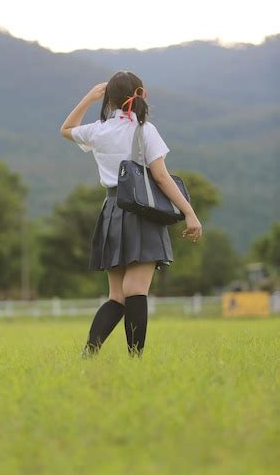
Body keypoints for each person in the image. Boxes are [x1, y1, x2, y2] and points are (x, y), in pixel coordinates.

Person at [60, 70, 203, 359]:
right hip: (142, 212)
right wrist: (190, 213)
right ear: (139, 94)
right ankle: (135, 360)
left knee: (118, 296)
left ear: (110, 98)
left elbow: (66, 128)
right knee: (136, 290)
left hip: (112, 211)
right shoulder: (144, 129)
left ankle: (89, 354)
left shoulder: (98, 130)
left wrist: (89, 96)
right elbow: (161, 177)